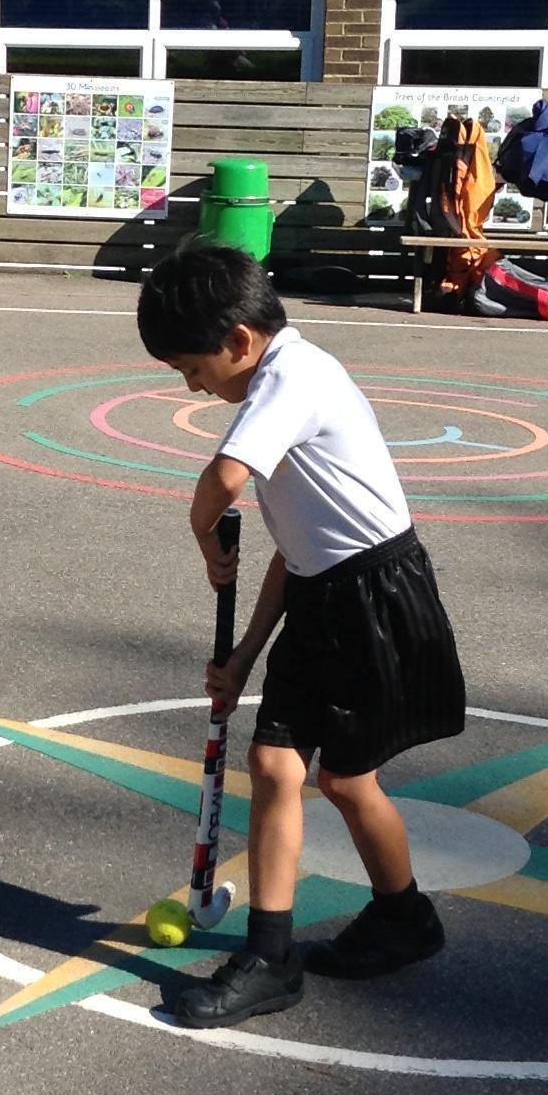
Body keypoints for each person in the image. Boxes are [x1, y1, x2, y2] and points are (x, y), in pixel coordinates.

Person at [134, 244, 467, 1028]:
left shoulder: (296, 376)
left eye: (192, 368)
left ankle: (405, 917)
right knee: (275, 764)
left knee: (346, 782)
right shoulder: (271, 389)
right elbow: (296, 552)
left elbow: (221, 481)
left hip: (377, 598)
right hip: (324, 594)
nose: (192, 386)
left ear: (239, 340)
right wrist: (245, 656)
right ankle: (272, 957)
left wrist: (203, 535)